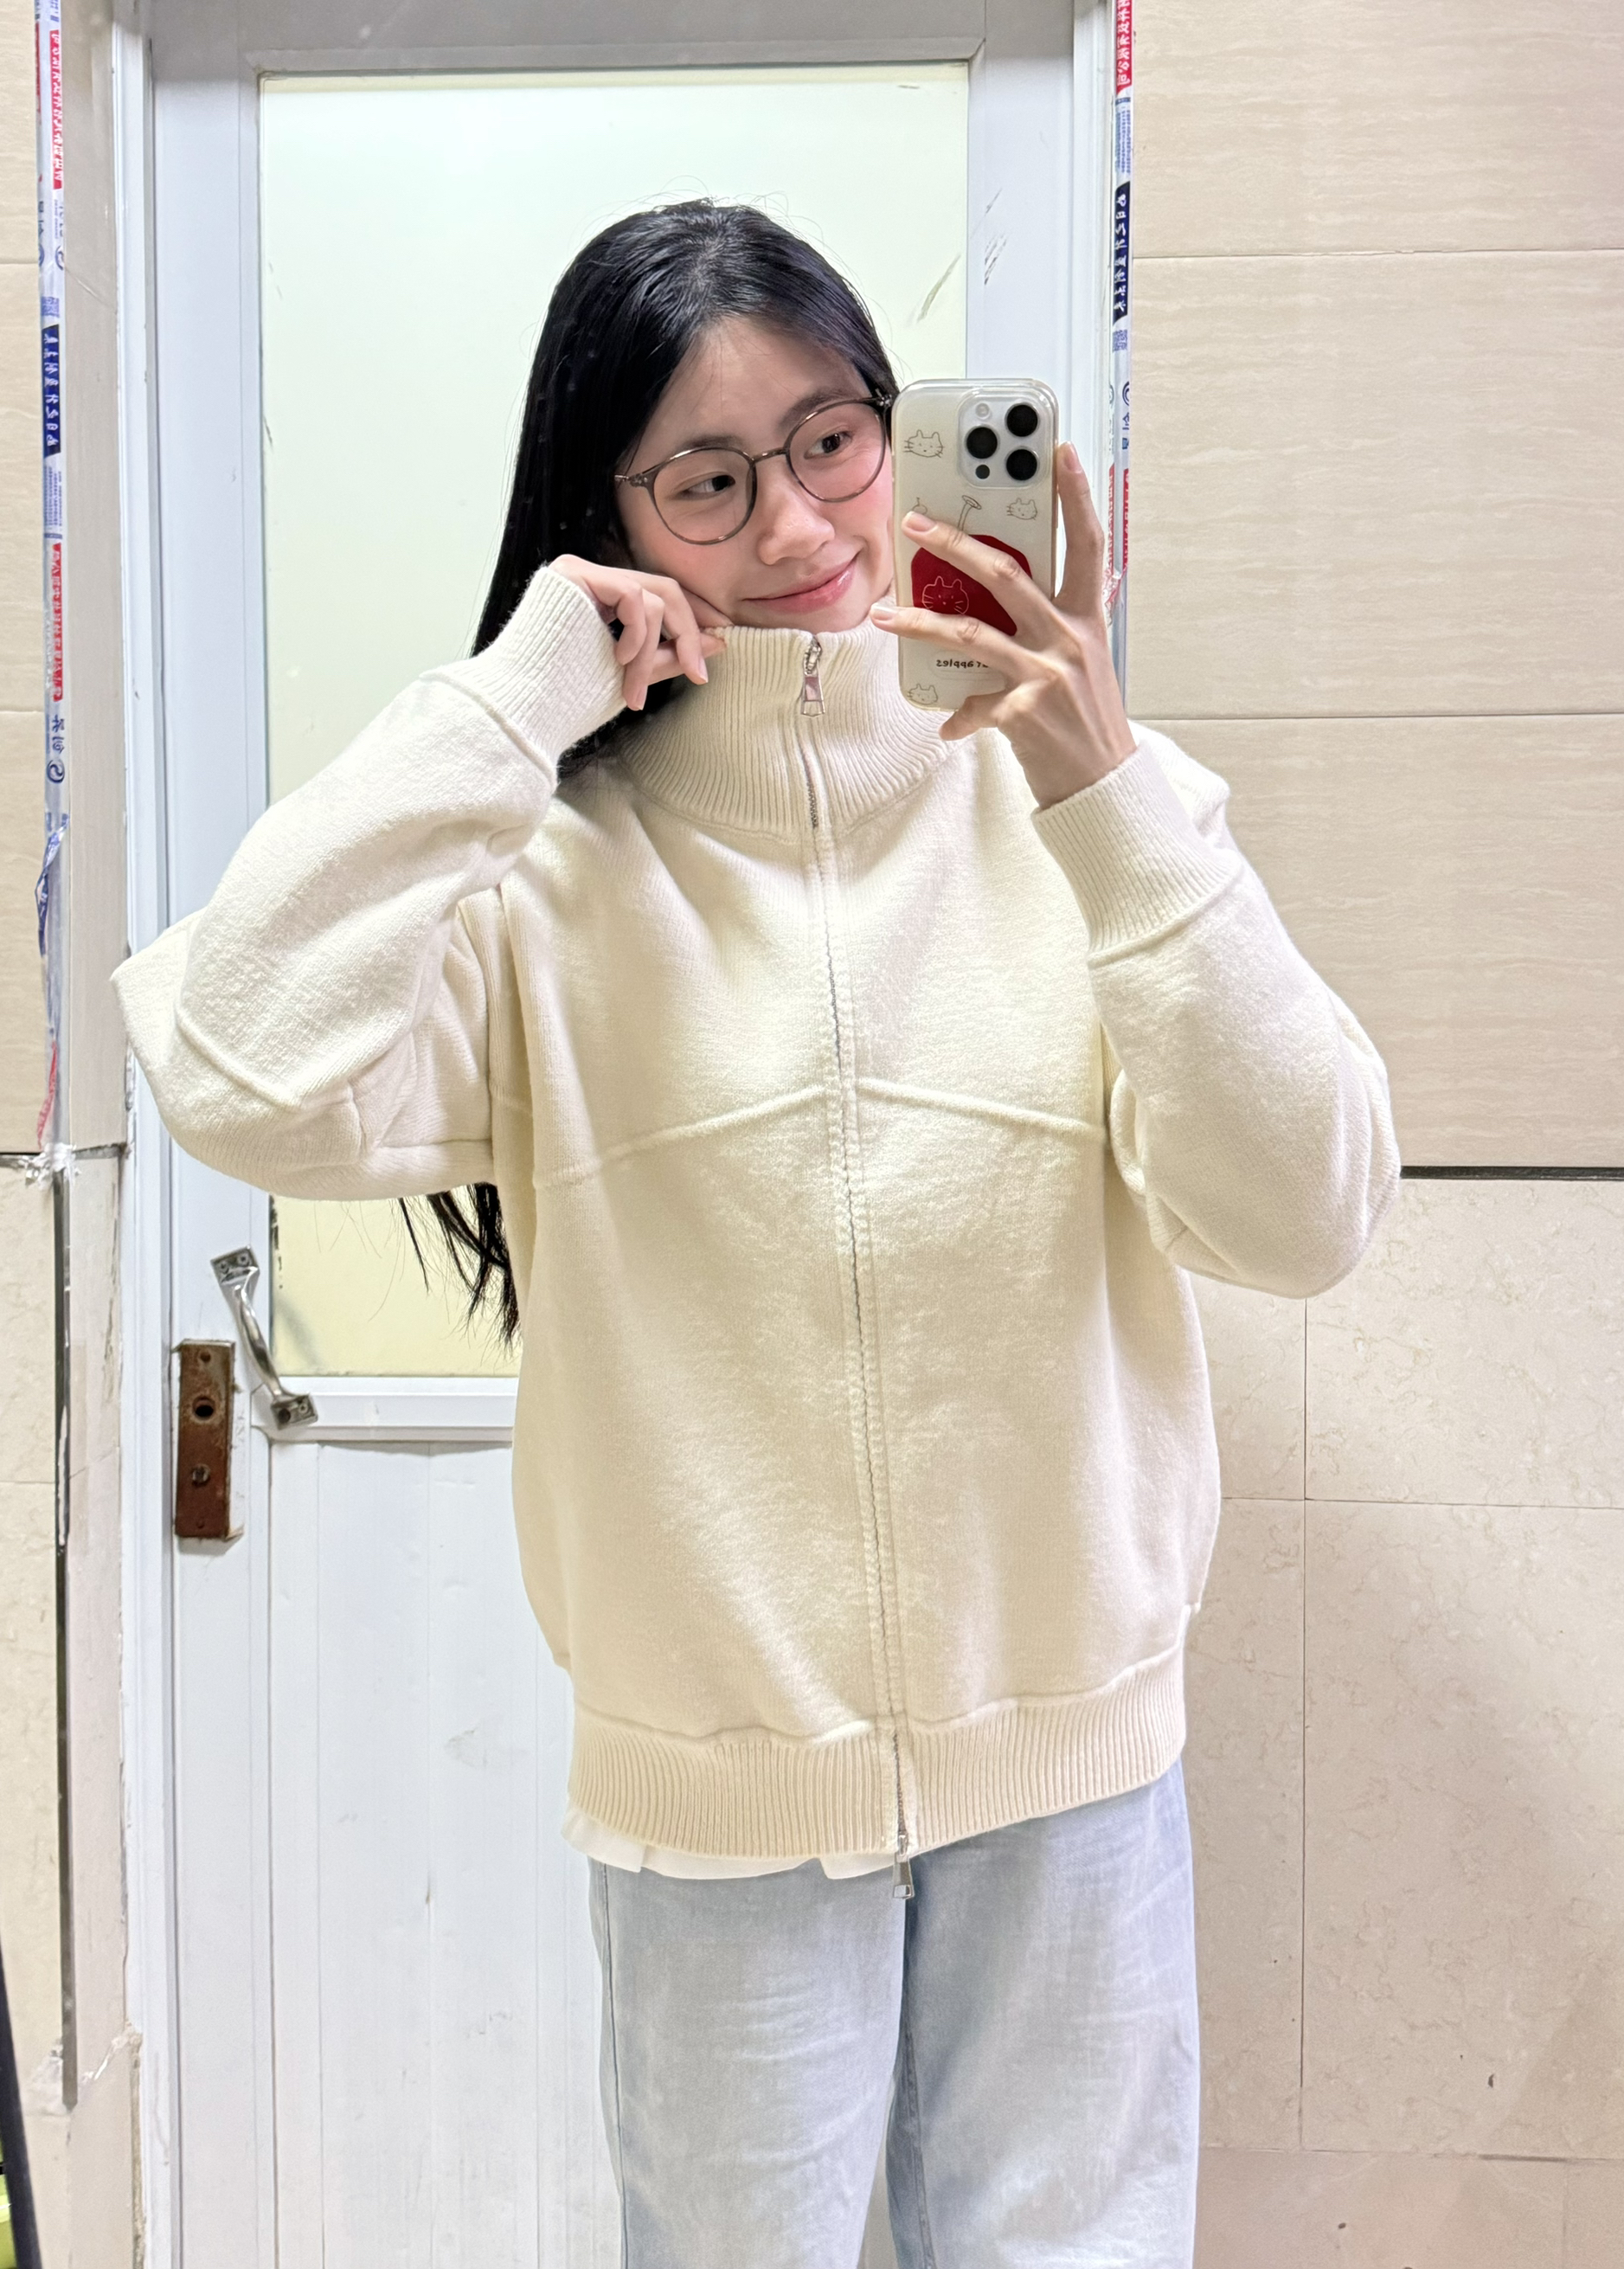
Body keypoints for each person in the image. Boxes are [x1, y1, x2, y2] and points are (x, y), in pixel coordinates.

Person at [114, 202, 1399, 2266]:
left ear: (896, 430)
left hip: (1070, 1779)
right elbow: (234, 1072)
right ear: (607, 518)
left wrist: (1104, 792)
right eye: (705, 479)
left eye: (829, 440)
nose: (796, 522)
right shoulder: (543, 883)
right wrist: (507, 709)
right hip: (715, 1815)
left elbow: (1310, 1210)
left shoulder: (1092, 819)